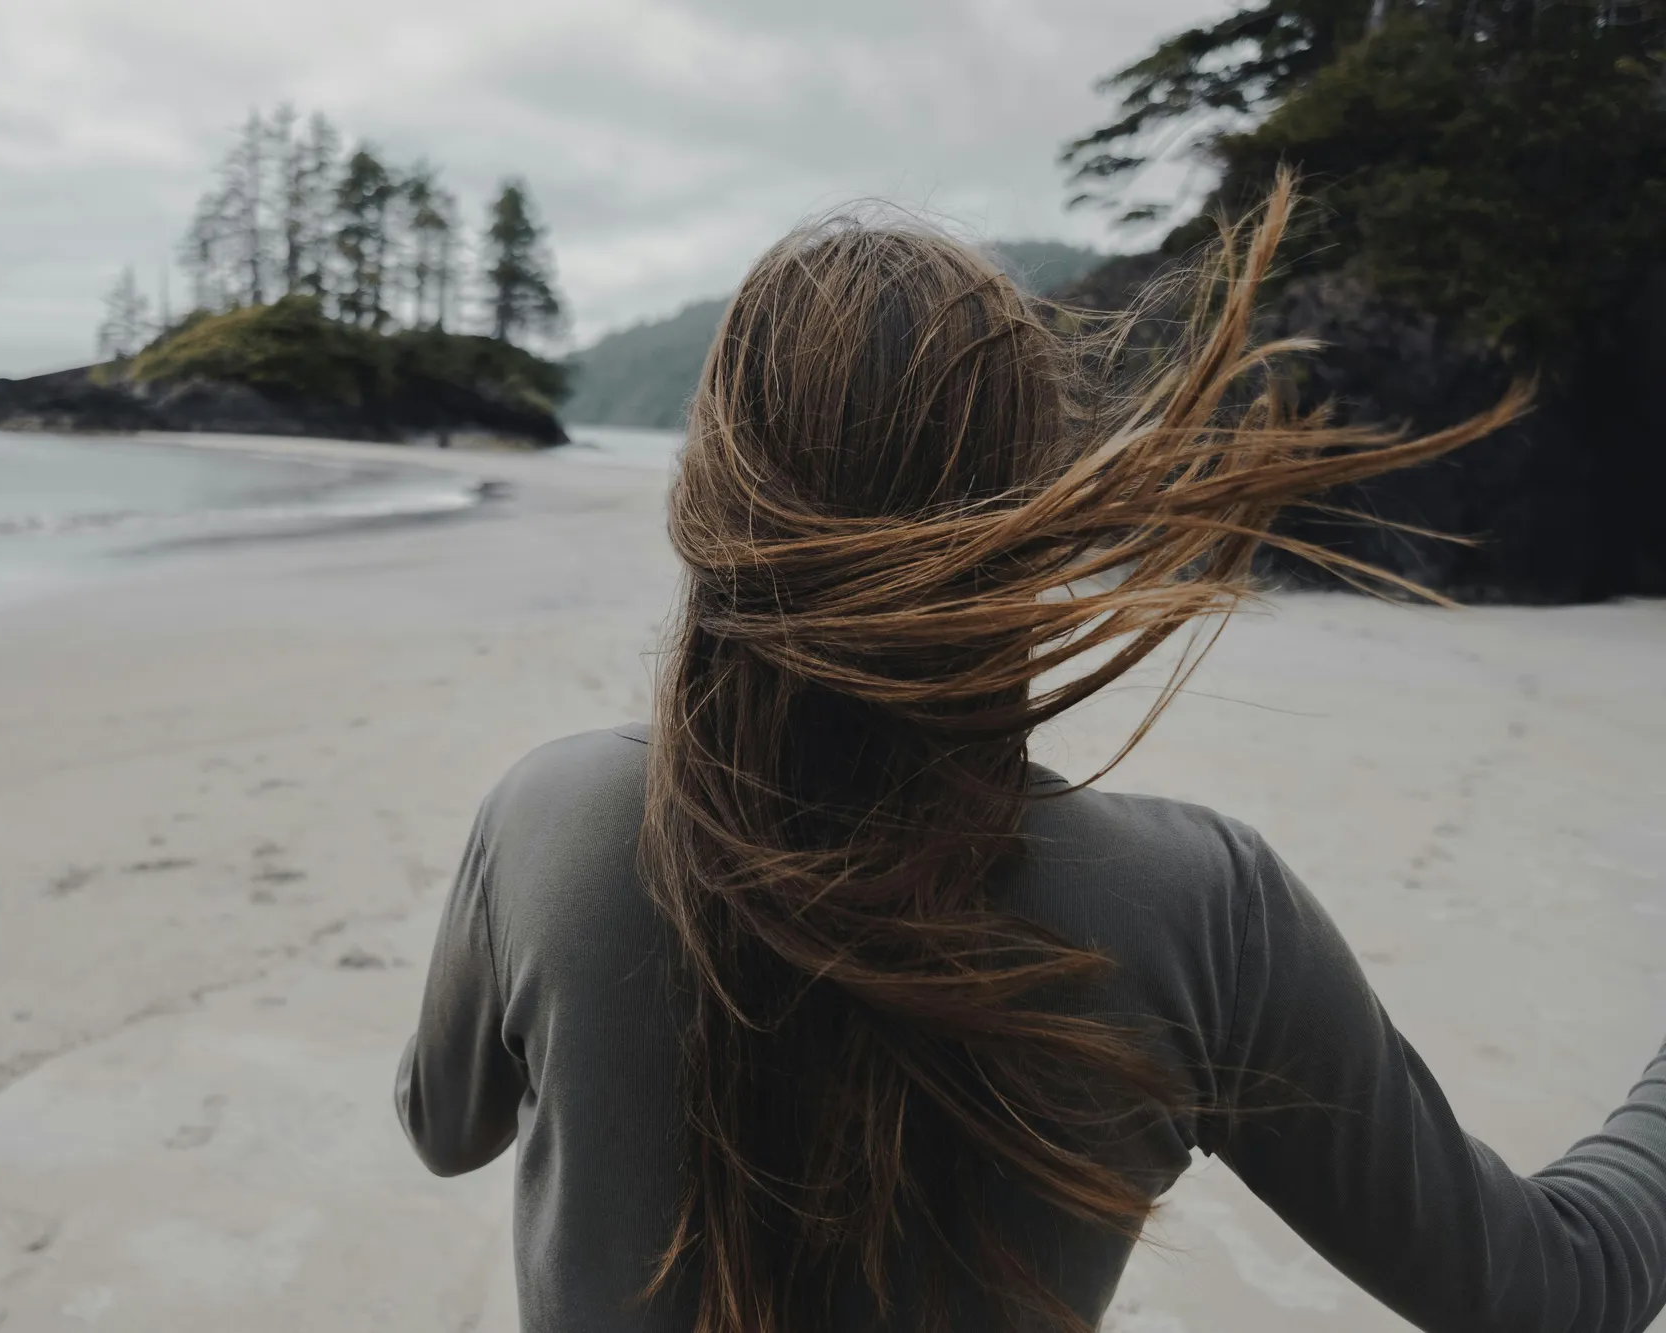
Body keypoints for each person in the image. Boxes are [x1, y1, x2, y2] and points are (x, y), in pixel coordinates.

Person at [395, 174, 1666, 1332]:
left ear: (711, 495)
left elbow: (445, 1127)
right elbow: (1552, 1292)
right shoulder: (1199, 912)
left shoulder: (549, 817)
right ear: (1032, 517)